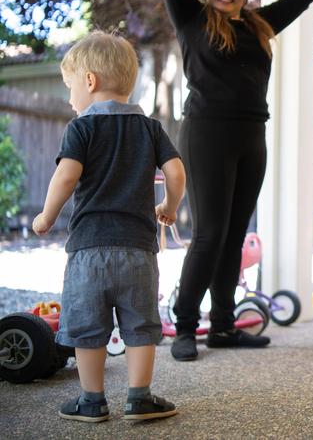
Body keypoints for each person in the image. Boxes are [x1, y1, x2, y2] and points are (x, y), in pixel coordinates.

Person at [149, 0, 313, 361]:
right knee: (209, 234)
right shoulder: (191, 18)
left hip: (252, 136)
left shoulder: (259, 26)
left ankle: (225, 326)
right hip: (207, 133)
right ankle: (187, 324)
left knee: (234, 236)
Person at [32, 32, 186, 422]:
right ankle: (139, 398)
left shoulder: (80, 128)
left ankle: (92, 401)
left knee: (87, 328)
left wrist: (47, 216)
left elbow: (66, 177)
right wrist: (168, 204)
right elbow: (176, 170)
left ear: (89, 81)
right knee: (140, 326)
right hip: (138, 249)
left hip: (88, 250)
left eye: (70, 88)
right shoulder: (150, 128)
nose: (70, 99)